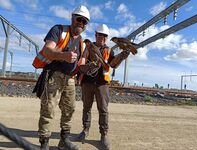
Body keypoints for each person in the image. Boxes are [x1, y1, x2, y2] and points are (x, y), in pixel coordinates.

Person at [33, 5, 90, 150]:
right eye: (79, 19)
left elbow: (81, 64)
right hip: (54, 74)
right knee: (48, 109)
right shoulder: (59, 30)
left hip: (70, 79)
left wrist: (88, 68)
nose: (81, 23)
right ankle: (44, 144)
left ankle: (64, 140)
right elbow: (47, 50)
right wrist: (63, 56)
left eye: (84, 22)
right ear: (72, 18)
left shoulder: (83, 43)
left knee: (69, 109)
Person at [76, 24, 130, 150]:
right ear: (95, 35)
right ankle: (85, 130)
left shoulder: (109, 50)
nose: (103, 37)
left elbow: (113, 64)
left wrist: (121, 57)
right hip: (88, 83)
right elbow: (82, 61)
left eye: (105, 35)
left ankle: (103, 135)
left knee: (103, 110)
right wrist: (84, 68)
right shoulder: (88, 47)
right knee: (86, 108)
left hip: (102, 84)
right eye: (100, 34)